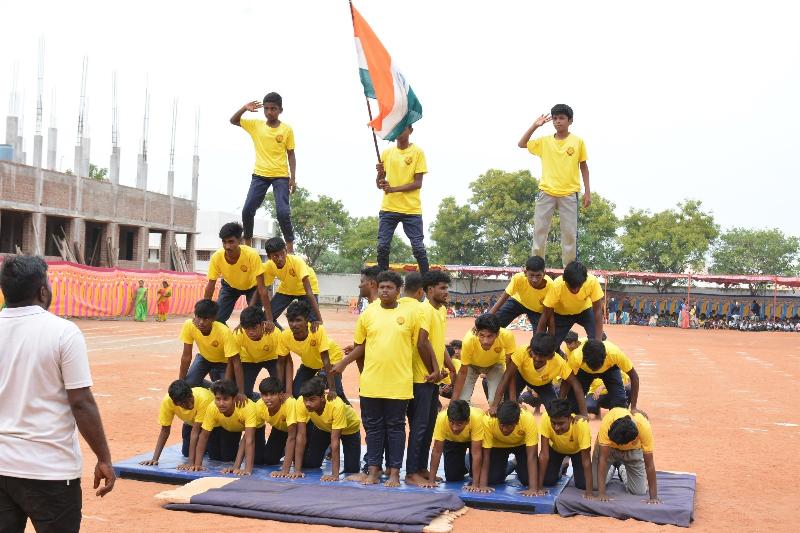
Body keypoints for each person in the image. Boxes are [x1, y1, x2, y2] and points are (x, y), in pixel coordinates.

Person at [0, 255, 114, 530]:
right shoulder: (64, 333)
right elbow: (81, 403)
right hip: (50, 471)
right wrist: (104, 458)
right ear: (42, 290)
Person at [332, 271, 419, 487]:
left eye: (390, 287)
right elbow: (360, 346)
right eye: (381, 287)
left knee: (396, 428)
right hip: (371, 383)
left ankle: (395, 474)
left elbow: (420, 346)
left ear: (398, 291)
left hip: (399, 383)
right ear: (377, 289)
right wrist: (344, 363)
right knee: (373, 429)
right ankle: (373, 471)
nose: (385, 291)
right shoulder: (368, 314)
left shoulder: (410, 315)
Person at [518, 104, 590, 267]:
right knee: (540, 231)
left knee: (569, 234)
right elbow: (521, 144)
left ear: (570, 121)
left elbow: (584, 167)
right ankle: (536, 266)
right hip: (546, 191)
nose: (558, 121)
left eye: (562, 118)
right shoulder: (544, 142)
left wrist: (587, 193)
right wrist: (535, 125)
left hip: (569, 193)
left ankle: (569, 269)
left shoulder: (577, 142)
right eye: (555, 118)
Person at [231, 92, 296, 252]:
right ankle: (248, 244)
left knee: (282, 212)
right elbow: (233, 120)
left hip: (280, 176)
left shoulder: (286, 129)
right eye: (266, 109)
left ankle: (289, 246)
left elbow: (291, 154)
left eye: (273, 109)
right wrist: (244, 108)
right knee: (247, 209)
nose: (269, 112)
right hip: (260, 175)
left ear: (280, 110)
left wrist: (292, 178)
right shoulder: (256, 125)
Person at [406, 270, 451, 487]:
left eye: (447, 288)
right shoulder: (424, 310)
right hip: (421, 378)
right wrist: (434, 370)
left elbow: (438, 344)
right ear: (429, 290)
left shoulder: (440, 310)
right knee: (420, 425)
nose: (446, 292)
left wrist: (448, 367)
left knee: (429, 423)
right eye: (442, 288)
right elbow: (422, 342)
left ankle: (422, 467)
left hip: (432, 378)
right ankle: (411, 472)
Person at [490, 332, 589, 418]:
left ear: (551, 356)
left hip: (544, 385)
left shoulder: (559, 362)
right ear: (530, 349)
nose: (537, 358)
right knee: (509, 406)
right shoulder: (523, 352)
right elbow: (506, 377)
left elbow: (575, 384)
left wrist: (584, 414)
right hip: (521, 377)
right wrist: (495, 405)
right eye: (535, 354)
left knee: (555, 412)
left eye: (541, 356)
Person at [375, 125, 429, 274]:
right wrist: (380, 174)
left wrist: (393, 189)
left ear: (410, 131)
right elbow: (380, 185)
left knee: (418, 248)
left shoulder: (418, 152)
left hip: (411, 209)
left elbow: (418, 183)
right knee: (383, 246)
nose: (399, 131)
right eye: (397, 128)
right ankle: (383, 279)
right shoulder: (386, 153)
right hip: (389, 208)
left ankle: (428, 282)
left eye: (403, 128)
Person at [178, 299, 246, 407]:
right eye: (198, 317)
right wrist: (180, 382)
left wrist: (241, 392)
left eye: (206, 319)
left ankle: (218, 386)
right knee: (189, 384)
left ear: (214, 319)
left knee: (225, 393)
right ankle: (212, 385)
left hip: (224, 363)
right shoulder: (189, 325)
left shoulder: (224, 332)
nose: (201, 322)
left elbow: (235, 362)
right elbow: (186, 356)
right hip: (204, 358)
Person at [293, 377, 362, 481]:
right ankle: (327, 449)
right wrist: (297, 470)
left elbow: (335, 442)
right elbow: (301, 435)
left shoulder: (336, 404)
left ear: (322, 397)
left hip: (349, 430)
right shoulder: (300, 403)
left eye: (312, 399)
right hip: (323, 428)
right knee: (311, 463)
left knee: (351, 469)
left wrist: (335, 475)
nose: (307, 404)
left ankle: (330, 449)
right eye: (305, 400)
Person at [277, 300, 347, 402]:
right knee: (297, 393)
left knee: (337, 395)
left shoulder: (317, 330)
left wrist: (332, 389)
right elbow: (280, 363)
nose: (294, 324)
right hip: (310, 362)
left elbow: (325, 359)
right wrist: (281, 390)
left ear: (307, 321)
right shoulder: (285, 336)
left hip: (331, 359)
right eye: (291, 321)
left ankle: (349, 413)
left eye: (298, 320)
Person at [203, 222, 270, 325]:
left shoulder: (251, 255)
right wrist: (204, 312)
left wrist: (269, 318)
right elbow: (210, 285)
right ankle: (228, 338)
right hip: (230, 287)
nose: (227, 246)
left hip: (252, 288)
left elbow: (262, 288)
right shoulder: (217, 257)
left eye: (231, 242)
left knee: (255, 320)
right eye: (224, 242)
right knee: (217, 319)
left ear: (240, 241)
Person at [192, 380, 264, 475]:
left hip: (256, 428)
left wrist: (247, 469)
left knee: (260, 460)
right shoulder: (212, 407)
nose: (221, 403)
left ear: (234, 399)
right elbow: (204, 436)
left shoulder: (247, 406)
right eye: (218, 399)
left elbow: (249, 439)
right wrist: (197, 464)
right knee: (218, 456)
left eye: (225, 399)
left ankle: (255, 396)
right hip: (231, 428)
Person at [140, 379, 214, 469]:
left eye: (190, 399)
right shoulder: (167, 402)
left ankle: (212, 385)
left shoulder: (204, 398)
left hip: (213, 426)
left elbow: (196, 432)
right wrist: (155, 459)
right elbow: (165, 430)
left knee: (219, 456)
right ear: (175, 403)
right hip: (191, 423)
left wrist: (191, 463)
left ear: (191, 393)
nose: (190, 405)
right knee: (186, 452)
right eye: (184, 403)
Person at [476, 401, 544, 496]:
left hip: (521, 445)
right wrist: (483, 485)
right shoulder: (489, 420)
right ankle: (513, 463)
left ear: (517, 422)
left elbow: (532, 456)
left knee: (527, 480)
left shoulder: (527, 419)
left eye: (509, 426)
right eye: (502, 425)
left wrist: (532, 489)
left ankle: (518, 462)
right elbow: (486, 455)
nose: (504, 429)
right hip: (498, 445)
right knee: (493, 480)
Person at [594, 407, 660, 503]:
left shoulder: (644, 427)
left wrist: (653, 497)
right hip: (609, 450)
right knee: (595, 486)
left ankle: (621, 468)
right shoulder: (608, 420)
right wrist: (601, 493)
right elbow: (602, 459)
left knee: (639, 491)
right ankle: (612, 467)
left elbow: (649, 464)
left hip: (633, 451)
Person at [537, 261, 604, 348]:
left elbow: (598, 311)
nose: (575, 290)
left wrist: (598, 341)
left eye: (578, 286)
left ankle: (599, 337)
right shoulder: (557, 285)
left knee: (596, 341)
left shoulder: (592, 282)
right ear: (564, 281)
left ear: (584, 281)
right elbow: (546, 314)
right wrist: (538, 340)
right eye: (571, 286)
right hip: (562, 315)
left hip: (584, 311)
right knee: (552, 346)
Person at [452, 314, 516, 404]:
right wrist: (453, 401)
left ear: (497, 334)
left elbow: (510, 369)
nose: (485, 341)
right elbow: (462, 372)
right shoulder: (469, 340)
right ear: (477, 332)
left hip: (495, 365)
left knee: (494, 402)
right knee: (462, 401)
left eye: (490, 336)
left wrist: (513, 400)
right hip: (472, 365)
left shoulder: (507, 336)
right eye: (481, 335)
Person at [566, 339, 641, 416]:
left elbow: (634, 376)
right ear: (584, 359)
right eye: (592, 367)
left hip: (609, 369)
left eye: (597, 367)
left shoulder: (614, 354)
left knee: (619, 403)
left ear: (605, 357)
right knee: (573, 403)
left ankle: (616, 419)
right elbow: (566, 380)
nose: (595, 371)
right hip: (585, 372)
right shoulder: (576, 357)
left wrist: (634, 407)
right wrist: (560, 400)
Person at [538, 399, 593, 498]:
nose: (556, 428)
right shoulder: (546, 418)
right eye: (553, 423)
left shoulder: (581, 424)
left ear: (570, 419)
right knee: (548, 481)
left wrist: (589, 492)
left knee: (582, 485)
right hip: (556, 449)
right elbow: (544, 454)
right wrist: (539, 486)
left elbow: (586, 461)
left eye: (561, 423)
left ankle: (566, 462)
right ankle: (563, 465)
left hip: (577, 451)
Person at [263, 237, 323, 327]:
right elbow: (264, 291)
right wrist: (269, 319)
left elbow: (309, 292)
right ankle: (283, 337)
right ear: (269, 256)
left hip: (306, 288)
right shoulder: (268, 266)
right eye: (275, 256)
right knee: (266, 318)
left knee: (313, 323)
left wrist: (319, 319)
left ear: (286, 251)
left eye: (282, 254)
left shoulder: (297, 262)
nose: (280, 258)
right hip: (287, 288)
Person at [427, 400, 486, 490]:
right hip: (453, 440)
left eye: (459, 424)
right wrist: (431, 481)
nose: (455, 428)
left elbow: (476, 453)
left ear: (467, 421)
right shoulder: (442, 418)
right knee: (453, 477)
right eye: (451, 422)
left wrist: (475, 484)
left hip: (473, 441)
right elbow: (436, 451)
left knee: (478, 475)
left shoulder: (477, 418)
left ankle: (468, 461)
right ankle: (466, 462)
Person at [232, 306, 286, 398]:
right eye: (247, 329)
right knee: (245, 394)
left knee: (281, 392)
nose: (250, 332)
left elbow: (284, 361)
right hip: (249, 360)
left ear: (262, 324)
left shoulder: (274, 333)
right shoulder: (238, 333)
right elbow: (235, 363)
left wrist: (281, 389)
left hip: (272, 358)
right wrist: (240, 392)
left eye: (254, 328)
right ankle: (258, 398)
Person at [489, 256, 553, 329]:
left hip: (537, 311)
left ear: (544, 273)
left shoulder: (550, 285)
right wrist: (487, 317)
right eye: (531, 275)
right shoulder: (518, 278)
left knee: (540, 336)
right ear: (525, 272)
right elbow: (504, 298)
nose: (534, 280)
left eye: (538, 276)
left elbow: (548, 311)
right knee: (493, 323)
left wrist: (547, 334)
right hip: (518, 302)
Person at [253, 377, 299, 472]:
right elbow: (248, 434)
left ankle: (325, 448)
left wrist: (284, 470)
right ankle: (283, 449)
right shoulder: (259, 405)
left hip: (299, 431)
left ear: (281, 395)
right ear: (261, 395)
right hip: (280, 429)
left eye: (273, 394)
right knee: (269, 460)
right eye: (265, 395)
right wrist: (238, 467)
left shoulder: (289, 403)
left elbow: (292, 437)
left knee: (309, 463)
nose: (269, 398)